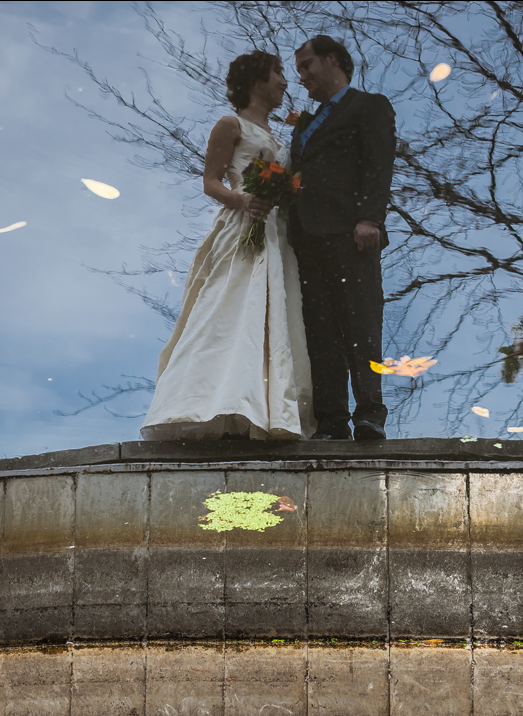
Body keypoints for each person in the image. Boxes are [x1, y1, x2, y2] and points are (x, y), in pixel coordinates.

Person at [140, 51, 316, 442]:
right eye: (278, 74)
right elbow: (211, 181)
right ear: (256, 80)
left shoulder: (280, 137)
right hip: (243, 225)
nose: (285, 83)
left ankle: (263, 407)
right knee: (231, 310)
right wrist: (242, 200)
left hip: (276, 232)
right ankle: (217, 403)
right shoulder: (230, 124)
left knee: (271, 315)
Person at [290, 35, 396, 440]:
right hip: (307, 239)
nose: (302, 77)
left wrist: (370, 217)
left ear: (331, 60)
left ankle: (370, 412)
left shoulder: (368, 106)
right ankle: (331, 419)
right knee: (319, 329)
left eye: (306, 66)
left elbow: (378, 162)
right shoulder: (304, 125)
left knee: (361, 323)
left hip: (352, 234)